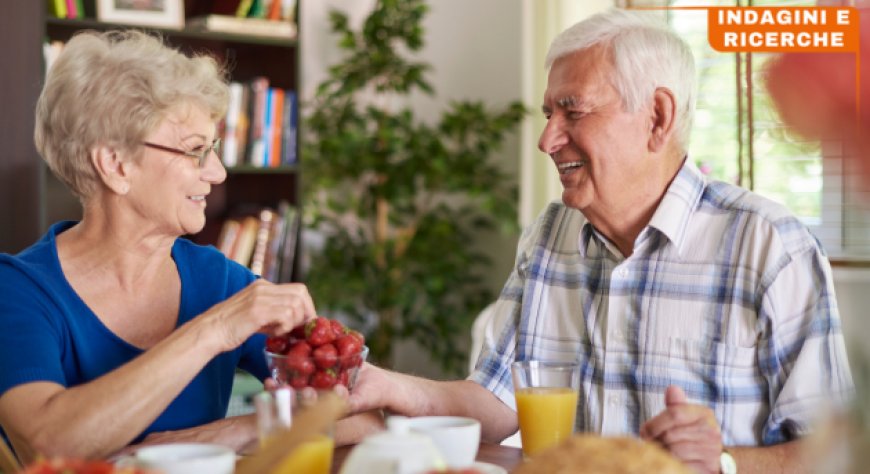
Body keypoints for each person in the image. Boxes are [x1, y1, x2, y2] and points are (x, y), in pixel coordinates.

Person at [348, 9, 853, 474]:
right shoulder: (549, 235)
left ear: (657, 116)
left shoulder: (769, 246)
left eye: (573, 111)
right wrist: (391, 387)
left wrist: (722, 460)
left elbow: (833, 452)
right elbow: (497, 399)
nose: (547, 140)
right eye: (549, 114)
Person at [0, 30, 355, 463]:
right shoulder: (18, 290)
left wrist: (220, 435)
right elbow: (48, 444)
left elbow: (350, 404)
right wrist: (214, 330)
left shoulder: (218, 279)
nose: (219, 173)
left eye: (215, 149)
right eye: (196, 151)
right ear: (115, 164)